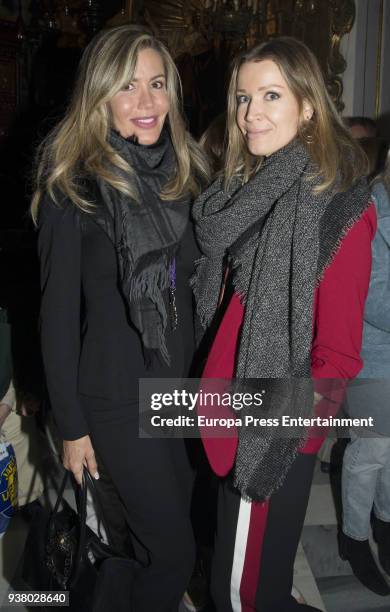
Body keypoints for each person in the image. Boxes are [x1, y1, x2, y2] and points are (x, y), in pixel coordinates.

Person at [192, 37, 375, 611]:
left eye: (271, 95)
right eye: (243, 98)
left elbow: (339, 356)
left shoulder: (339, 203)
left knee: (240, 594)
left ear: (310, 106)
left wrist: (282, 436)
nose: (251, 113)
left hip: (269, 430)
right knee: (245, 576)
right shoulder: (248, 190)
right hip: (223, 409)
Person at [31, 25, 209, 611]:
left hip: (181, 391)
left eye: (157, 84)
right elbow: (56, 317)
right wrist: (72, 427)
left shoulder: (186, 179)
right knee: (175, 554)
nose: (147, 102)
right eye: (129, 86)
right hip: (112, 398)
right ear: (100, 95)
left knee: (158, 541)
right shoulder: (73, 189)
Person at [340, 147, 390, 596]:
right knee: (371, 453)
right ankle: (353, 538)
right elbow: (373, 297)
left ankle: (386, 522)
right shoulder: (369, 206)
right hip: (373, 353)